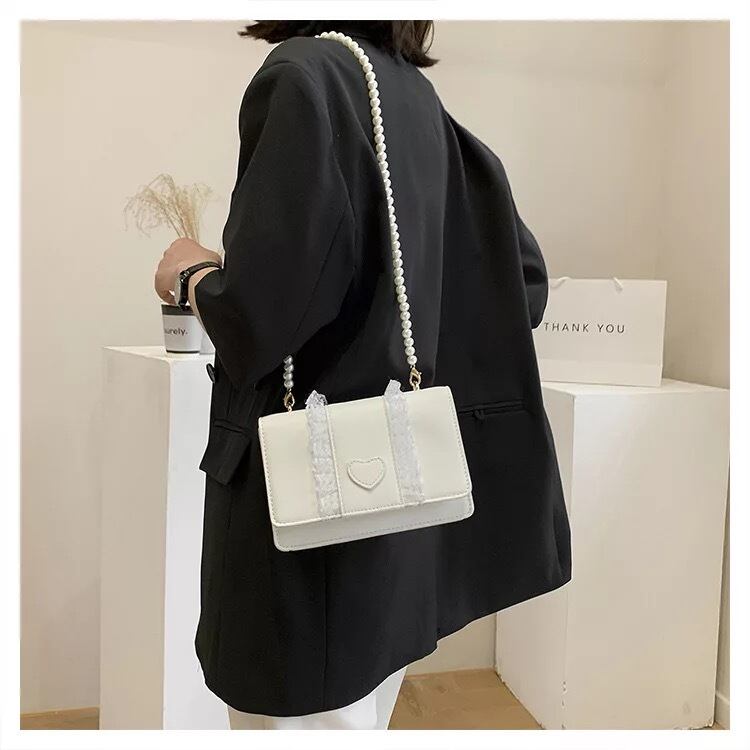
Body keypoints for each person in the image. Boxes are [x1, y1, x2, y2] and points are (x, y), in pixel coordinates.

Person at [154, 20, 571, 730]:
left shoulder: (303, 77)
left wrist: (193, 273)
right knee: (357, 716)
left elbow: (259, 317)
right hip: (396, 507)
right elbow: (523, 285)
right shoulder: (415, 99)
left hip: (304, 517)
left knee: (292, 720)